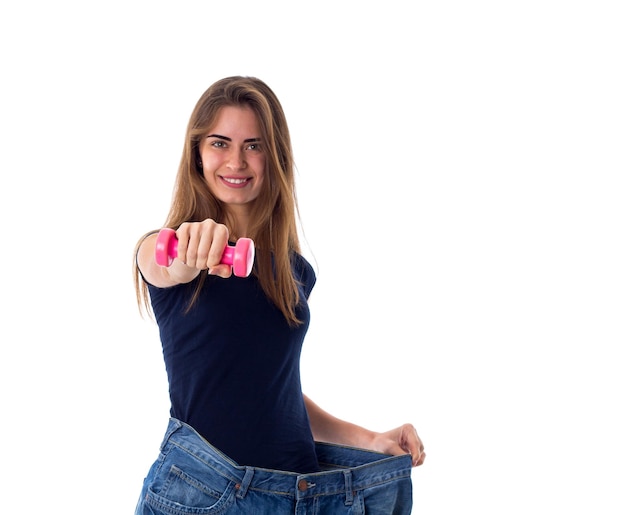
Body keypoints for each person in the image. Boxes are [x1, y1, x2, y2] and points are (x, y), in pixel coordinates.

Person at [132, 76, 425, 514]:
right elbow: (162, 265)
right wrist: (191, 248)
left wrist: (369, 439)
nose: (236, 161)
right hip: (211, 495)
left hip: (304, 495)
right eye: (219, 143)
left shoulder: (291, 271)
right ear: (197, 154)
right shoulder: (169, 246)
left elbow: (275, 391)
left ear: (274, 155)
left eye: (254, 145)